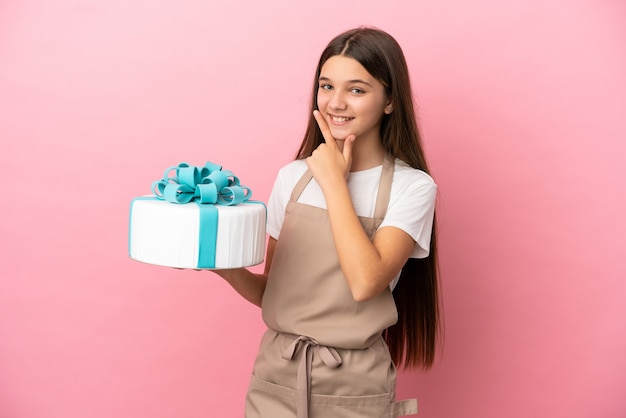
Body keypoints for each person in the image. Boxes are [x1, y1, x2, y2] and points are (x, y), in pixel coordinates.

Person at [215, 26, 442, 418]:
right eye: (326, 86)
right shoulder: (293, 177)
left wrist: (335, 183)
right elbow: (273, 292)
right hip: (276, 376)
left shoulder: (413, 187)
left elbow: (366, 281)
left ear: (389, 101)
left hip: (354, 385)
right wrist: (221, 266)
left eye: (357, 89)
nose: (336, 103)